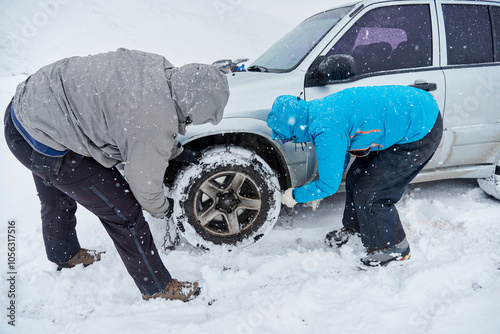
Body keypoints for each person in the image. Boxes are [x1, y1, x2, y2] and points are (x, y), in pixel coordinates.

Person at [4, 48, 230, 300]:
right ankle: (157, 288)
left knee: (58, 189)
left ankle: (63, 254)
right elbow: (144, 184)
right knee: (125, 213)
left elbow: (128, 118)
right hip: (43, 138)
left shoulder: (156, 67)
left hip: (26, 110)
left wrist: (173, 149)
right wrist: (163, 208)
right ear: (194, 106)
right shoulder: (152, 119)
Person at [267, 85, 443, 266]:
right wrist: (321, 182)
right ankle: (356, 229)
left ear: (296, 129)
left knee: (373, 193)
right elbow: (339, 154)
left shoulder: (325, 129)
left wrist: (295, 196)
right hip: (404, 117)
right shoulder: (317, 111)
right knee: (356, 178)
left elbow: (329, 186)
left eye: (289, 138)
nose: (292, 142)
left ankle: (395, 248)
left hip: (421, 127)